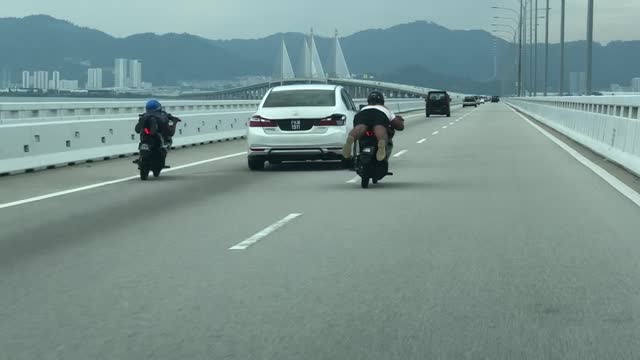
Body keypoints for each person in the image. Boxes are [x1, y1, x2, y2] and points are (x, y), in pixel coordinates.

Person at [343, 91, 405, 161]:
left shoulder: (364, 108)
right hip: (380, 114)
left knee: (360, 128)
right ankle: (381, 143)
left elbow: (356, 123)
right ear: (382, 101)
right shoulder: (385, 109)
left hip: (363, 114)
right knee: (379, 127)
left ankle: (350, 139)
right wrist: (400, 125)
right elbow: (398, 126)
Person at [134, 99, 181, 167]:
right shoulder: (163, 116)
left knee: (145, 137)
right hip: (154, 135)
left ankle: (142, 157)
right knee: (167, 138)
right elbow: (170, 133)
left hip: (148, 135)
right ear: (159, 107)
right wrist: (174, 122)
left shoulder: (144, 116)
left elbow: (137, 130)